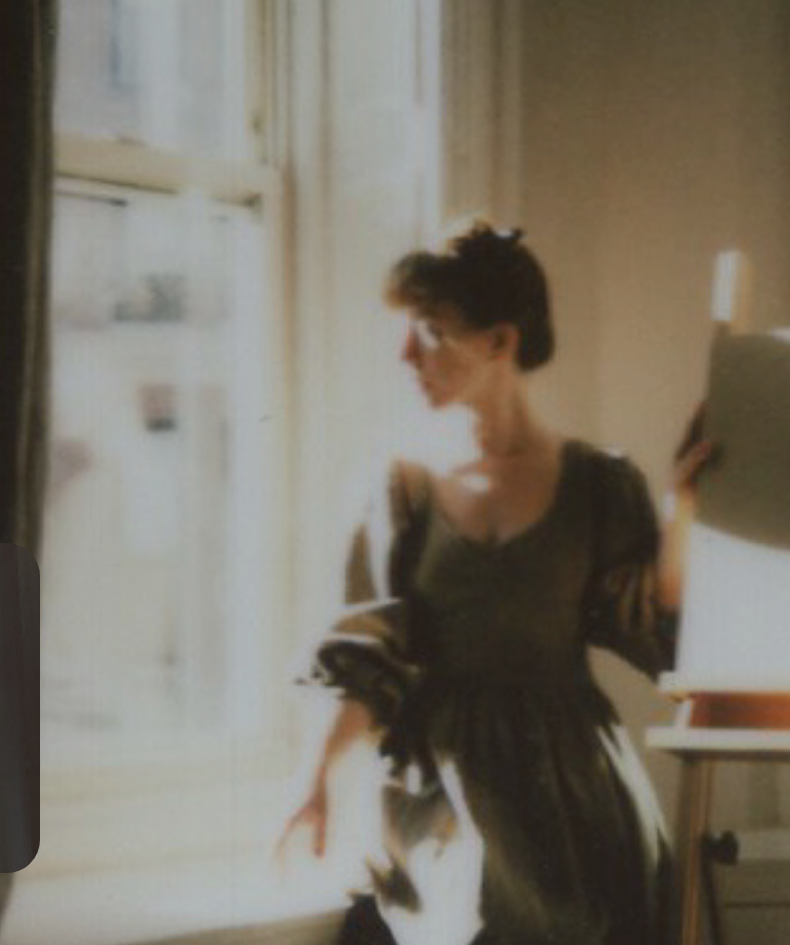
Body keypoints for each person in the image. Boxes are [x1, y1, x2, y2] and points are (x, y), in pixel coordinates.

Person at [278, 223, 713, 944]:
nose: (405, 354)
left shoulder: (598, 484)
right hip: (444, 794)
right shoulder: (402, 489)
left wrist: (682, 513)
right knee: (475, 918)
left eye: (430, 330)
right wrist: (314, 785)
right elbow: (365, 658)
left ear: (500, 341)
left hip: (575, 795)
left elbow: (657, 630)